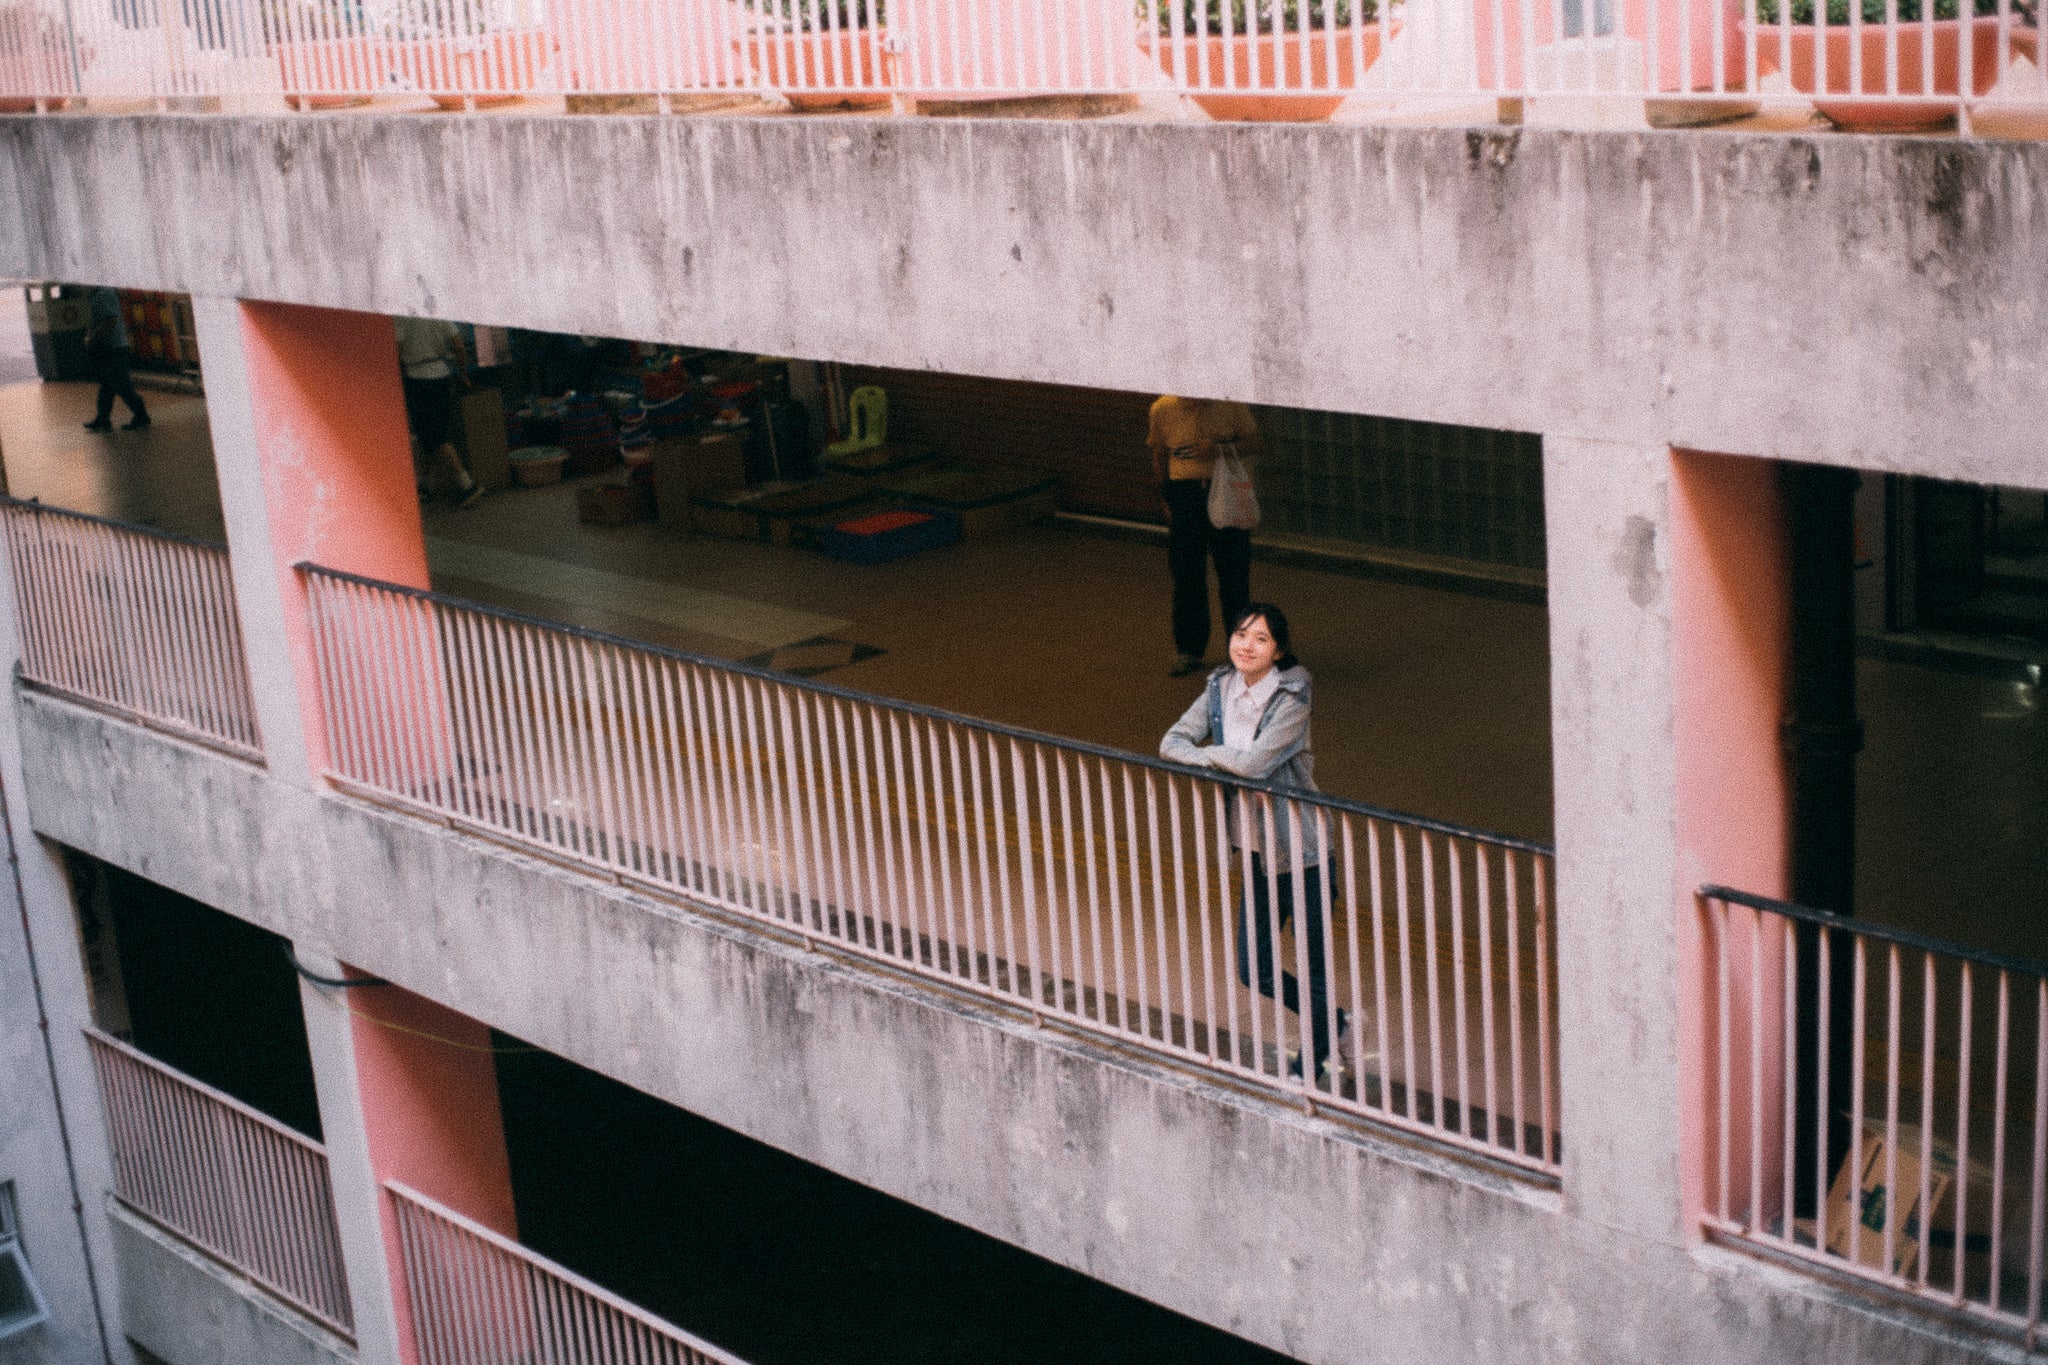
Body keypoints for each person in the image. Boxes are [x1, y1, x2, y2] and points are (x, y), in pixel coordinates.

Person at [1160, 602, 1346, 1080]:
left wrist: (1209, 755)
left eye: (1261, 639)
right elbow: (1172, 742)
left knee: (1313, 964)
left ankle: (1313, 1060)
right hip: (1257, 853)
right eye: (1241, 634)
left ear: (1278, 651)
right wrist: (1222, 758)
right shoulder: (1220, 687)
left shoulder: (1293, 696)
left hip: (1302, 851)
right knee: (1253, 969)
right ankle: (1334, 1022)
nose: (1246, 645)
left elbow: (1254, 765)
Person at [1147, 394, 1261, 677]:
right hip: (1184, 495)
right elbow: (1159, 454)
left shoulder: (1230, 403)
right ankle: (1189, 649)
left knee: (1234, 576)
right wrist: (1165, 498)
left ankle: (1241, 652)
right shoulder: (1162, 408)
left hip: (1225, 490)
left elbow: (1256, 442)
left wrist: (1221, 449)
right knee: (1186, 575)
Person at [395, 315, 482, 509]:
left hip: (417, 379)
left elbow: (397, 349)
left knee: (435, 437)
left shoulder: (402, 316)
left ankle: (467, 485)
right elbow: (458, 346)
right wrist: (464, 375)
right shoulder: (437, 312)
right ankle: (424, 486)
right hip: (442, 376)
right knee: (429, 433)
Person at [82, 287, 149, 433]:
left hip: (114, 347)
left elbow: (111, 320)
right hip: (112, 346)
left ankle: (141, 415)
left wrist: (93, 336)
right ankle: (103, 418)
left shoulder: (103, 294)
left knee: (121, 383)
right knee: (107, 383)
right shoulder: (99, 293)